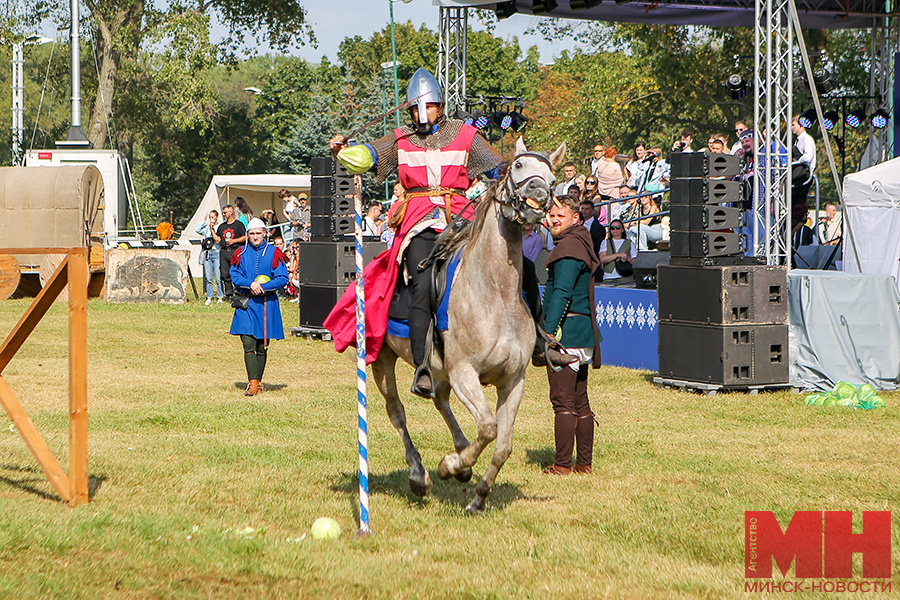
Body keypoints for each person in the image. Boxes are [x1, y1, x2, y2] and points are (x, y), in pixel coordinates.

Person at [325, 67, 505, 398]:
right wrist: (344, 151)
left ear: (440, 106)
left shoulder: (465, 135)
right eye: (415, 109)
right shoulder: (400, 139)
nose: (422, 115)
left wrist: (519, 169)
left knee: (505, 264)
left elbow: (497, 167)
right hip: (420, 221)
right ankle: (423, 365)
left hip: (462, 218)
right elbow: (365, 157)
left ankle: (537, 339)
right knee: (422, 283)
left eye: (428, 107)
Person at [541, 195, 601, 476]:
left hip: (569, 334)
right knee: (580, 401)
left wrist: (549, 332)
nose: (554, 219)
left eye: (560, 215)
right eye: (551, 214)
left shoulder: (568, 248)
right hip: (583, 333)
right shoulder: (580, 241)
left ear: (575, 218)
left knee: (563, 402)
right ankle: (584, 465)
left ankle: (563, 465)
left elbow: (561, 293)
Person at [229, 218, 289, 396]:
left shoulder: (274, 253)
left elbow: (282, 277)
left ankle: (259, 381)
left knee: (262, 345)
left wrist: (264, 286)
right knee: (248, 341)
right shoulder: (240, 252)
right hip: (246, 303)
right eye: (252, 233)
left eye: (258, 233)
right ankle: (252, 383)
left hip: (265, 303)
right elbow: (235, 274)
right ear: (247, 235)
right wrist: (250, 284)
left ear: (265, 233)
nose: (255, 237)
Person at [211, 204, 246, 298]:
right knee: (225, 273)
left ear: (231, 212)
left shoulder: (239, 225)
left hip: (236, 251)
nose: (223, 214)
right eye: (223, 213)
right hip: (224, 251)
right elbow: (218, 239)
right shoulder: (222, 226)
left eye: (225, 212)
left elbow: (244, 237)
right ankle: (229, 294)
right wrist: (212, 229)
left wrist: (234, 241)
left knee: (237, 271)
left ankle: (238, 292)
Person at [196, 209, 224, 305]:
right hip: (208, 253)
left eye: (213, 217)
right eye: (210, 217)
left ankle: (220, 296)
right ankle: (209, 296)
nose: (211, 219)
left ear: (217, 217)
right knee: (209, 277)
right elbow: (197, 230)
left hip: (216, 252)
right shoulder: (207, 228)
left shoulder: (219, 227)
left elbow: (218, 239)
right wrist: (204, 221)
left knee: (218, 277)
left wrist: (213, 228)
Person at [791, 115, 816, 206]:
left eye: (793, 125)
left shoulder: (807, 139)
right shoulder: (797, 141)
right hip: (797, 171)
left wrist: (797, 160)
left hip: (804, 173)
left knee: (799, 202)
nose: (791, 127)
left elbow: (808, 157)